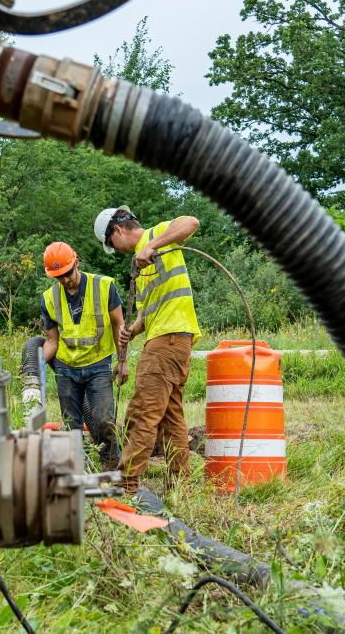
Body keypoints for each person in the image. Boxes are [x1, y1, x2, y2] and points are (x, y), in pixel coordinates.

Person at [93, 206, 201, 492]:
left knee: (142, 412)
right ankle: (180, 485)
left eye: (111, 245)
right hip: (170, 337)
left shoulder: (156, 235)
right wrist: (132, 330)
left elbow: (191, 220)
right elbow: (144, 315)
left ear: (117, 231)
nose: (115, 250)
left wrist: (151, 245)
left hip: (168, 339)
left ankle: (125, 484)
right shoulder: (141, 267)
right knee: (170, 416)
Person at [40, 241, 126, 469]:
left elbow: (119, 326)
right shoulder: (49, 298)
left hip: (98, 364)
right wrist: (35, 363)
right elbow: (51, 341)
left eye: (67, 273)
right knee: (71, 426)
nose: (65, 280)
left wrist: (122, 361)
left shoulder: (104, 287)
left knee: (104, 421)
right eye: (59, 276)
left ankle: (110, 467)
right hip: (66, 368)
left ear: (76, 262)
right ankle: (75, 471)